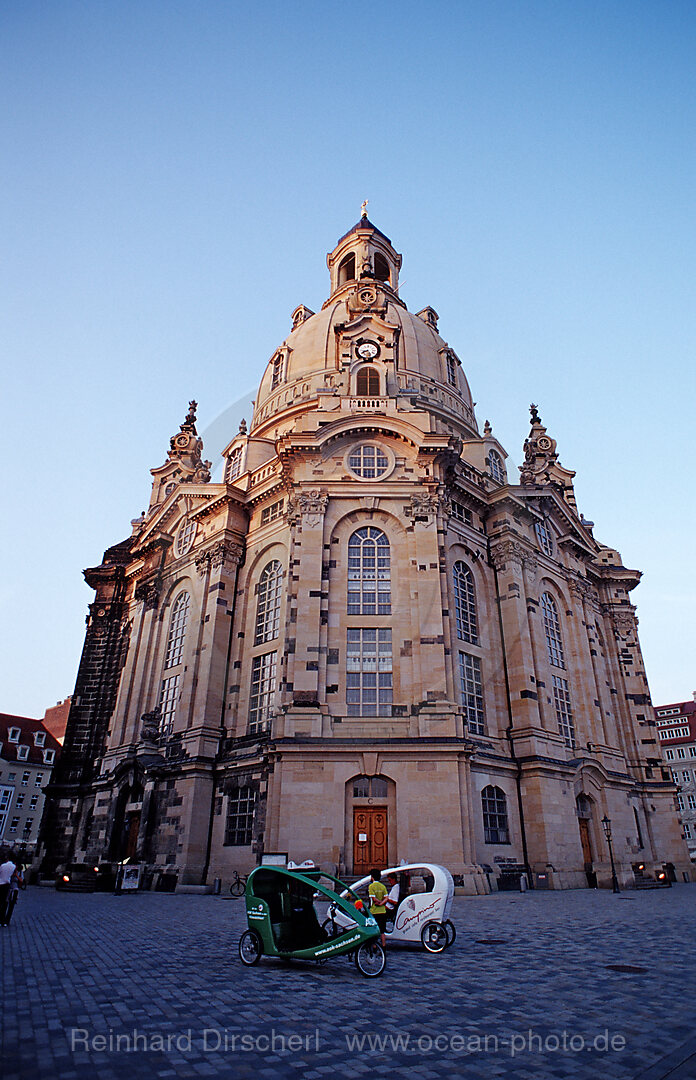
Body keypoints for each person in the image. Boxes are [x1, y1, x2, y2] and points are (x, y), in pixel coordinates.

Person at [367, 868, 388, 947]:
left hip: (374, 911)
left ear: (372, 877)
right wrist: (382, 903)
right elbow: (386, 897)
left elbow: (373, 899)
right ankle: (383, 946)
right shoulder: (382, 886)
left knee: (374, 930)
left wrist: (378, 902)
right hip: (382, 911)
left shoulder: (371, 886)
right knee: (382, 931)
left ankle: (375, 947)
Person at [5, 861, 25, 926]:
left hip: (15, 889)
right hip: (8, 889)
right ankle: (3, 919)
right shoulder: (10, 871)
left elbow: (21, 880)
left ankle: (7, 920)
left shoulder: (20, 872)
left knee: (11, 905)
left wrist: (16, 875)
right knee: (5, 904)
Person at [0, 852, 17, 926]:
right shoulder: (13, 866)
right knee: (5, 903)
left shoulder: (2, 865)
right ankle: (3, 921)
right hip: (7, 885)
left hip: (0, 884)